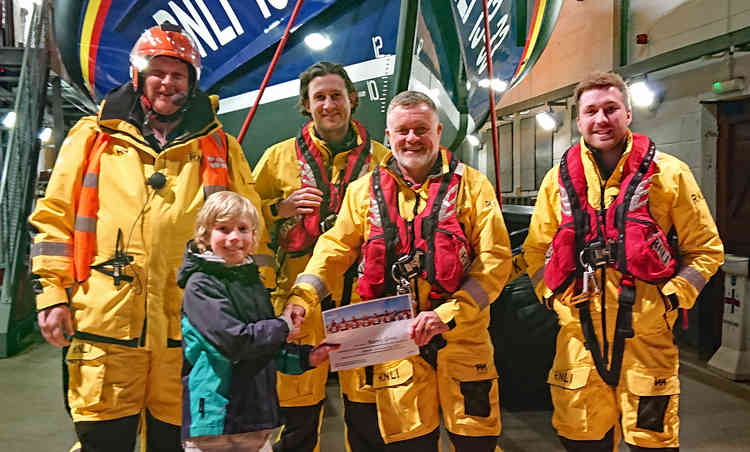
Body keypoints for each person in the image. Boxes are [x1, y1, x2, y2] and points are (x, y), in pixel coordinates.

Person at [28, 23, 274, 451]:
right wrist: (51, 294)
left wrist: (258, 303)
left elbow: (252, 232)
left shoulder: (220, 147)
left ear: (192, 81)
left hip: (190, 330)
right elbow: (55, 220)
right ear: (138, 77)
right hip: (104, 328)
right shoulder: (92, 138)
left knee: (178, 443)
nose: (167, 82)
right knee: (101, 441)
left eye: (178, 74)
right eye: (157, 71)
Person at [287, 91, 512, 451]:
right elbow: (334, 249)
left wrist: (449, 314)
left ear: (438, 131)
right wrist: (303, 296)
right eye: (402, 131)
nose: (412, 139)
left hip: (462, 340)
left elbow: (495, 260)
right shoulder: (362, 193)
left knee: (476, 442)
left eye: (421, 129)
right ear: (388, 138)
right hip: (393, 341)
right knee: (407, 442)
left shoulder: (472, 186)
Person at [522, 71, 724, 451]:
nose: (602, 119)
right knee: (582, 443)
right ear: (579, 120)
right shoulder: (557, 181)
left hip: (646, 343)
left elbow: (707, 250)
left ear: (628, 114)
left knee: (653, 444)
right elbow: (535, 251)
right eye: (591, 111)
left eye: (611, 109)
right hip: (578, 343)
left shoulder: (670, 174)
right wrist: (551, 297)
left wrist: (673, 297)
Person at [252, 61, 388, 452]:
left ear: (352, 99)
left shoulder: (381, 161)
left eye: (336, 95)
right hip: (298, 301)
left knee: (367, 409)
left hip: (363, 298)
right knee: (297, 412)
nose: (329, 105)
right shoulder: (276, 159)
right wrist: (279, 209)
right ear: (306, 105)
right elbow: (243, 221)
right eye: (320, 97)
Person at [178, 191, 338, 452]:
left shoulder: (251, 281)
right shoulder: (201, 284)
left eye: (243, 229)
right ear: (204, 235)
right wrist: (283, 326)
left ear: (254, 237)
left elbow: (264, 348)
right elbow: (235, 341)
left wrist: (306, 358)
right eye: (223, 228)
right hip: (216, 421)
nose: (234, 238)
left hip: (255, 417)